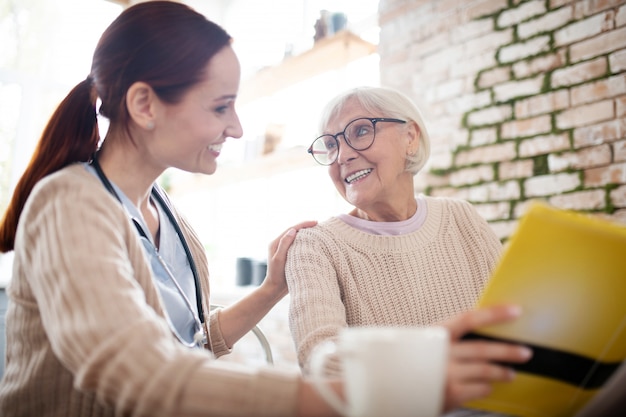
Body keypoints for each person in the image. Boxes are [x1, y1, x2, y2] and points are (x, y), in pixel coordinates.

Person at [0, 2, 530, 416]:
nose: (236, 128)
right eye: (220, 107)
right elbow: (141, 373)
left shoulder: (170, 218)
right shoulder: (69, 202)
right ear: (145, 106)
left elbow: (194, 343)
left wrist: (273, 288)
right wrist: (361, 395)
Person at [285, 86, 514, 376]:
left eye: (360, 131)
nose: (342, 155)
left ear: (410, 137)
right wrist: (430, 360)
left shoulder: (461, 217)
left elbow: (513, 322)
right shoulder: (314, 247)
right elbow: (321, 363)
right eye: (331, 145)